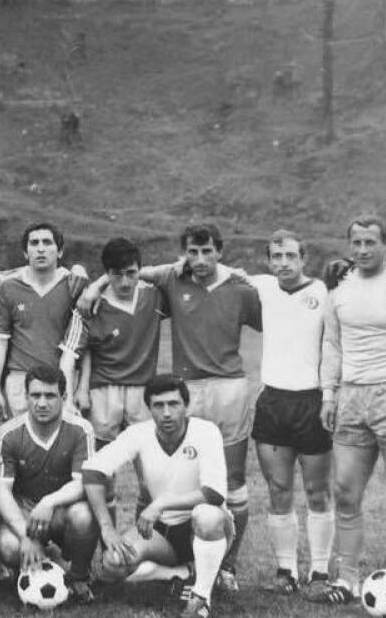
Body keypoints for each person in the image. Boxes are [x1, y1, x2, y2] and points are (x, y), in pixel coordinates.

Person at [84, 223, 260, 591]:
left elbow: (274, 321)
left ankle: (226, 568)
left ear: (220, 251)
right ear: (183, 254)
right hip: (187, 389)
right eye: (192, 252)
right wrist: (97, 285)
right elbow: (133, 272)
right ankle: (173, 557)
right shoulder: (171, 278)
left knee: (232, 481)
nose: (200, 259)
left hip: (229, 388)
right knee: (163, 470)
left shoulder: (241, 288)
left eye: (207, 251)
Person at [310, 216, 386, 605]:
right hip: (351, 398)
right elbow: (332, 345)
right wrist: (329, 395)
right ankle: (346, 580)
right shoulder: (338, 289)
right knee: (345, 491)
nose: (362, 250)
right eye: (356, 243)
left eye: (370, 242)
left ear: (385, 244)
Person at [81, 375, 233, 618]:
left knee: (206, 516)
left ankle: (201, 598)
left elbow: (215, 493)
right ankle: (183, 573)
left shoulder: (206, 432)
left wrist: (161, 504)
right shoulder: (138, 433)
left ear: (186, 406)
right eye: (158, 405)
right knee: (113, 564)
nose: (167, 413)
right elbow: (92, 471)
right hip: (163, 532)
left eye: (173, 404)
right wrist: (107, 529)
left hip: (206, 526)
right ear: (149, 408)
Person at [247, 230, 334, 594]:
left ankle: (320, 572)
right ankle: (286, 572)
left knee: (316, 490)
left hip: (312, 401)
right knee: (279, 489)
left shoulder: (323, 292)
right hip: (273, 401)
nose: (283, 263)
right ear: (269, 260)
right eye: (276, 256)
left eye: (290, 256)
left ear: (303, 259)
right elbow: (215, 271)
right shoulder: (262, 286)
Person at [0, 364, 98, 603]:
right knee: (10, 547)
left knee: (83, 515)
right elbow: (2, 491)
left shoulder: (81, 429)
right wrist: (25, 535)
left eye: (50, 396)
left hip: (60, 510)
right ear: (26, 396)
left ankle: (79, 576)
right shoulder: (8, 433)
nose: (41, 403)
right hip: (24, 510)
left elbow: (83, 483)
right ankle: (45, 560)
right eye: (35, 395)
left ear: (64, 397)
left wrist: (50, 502)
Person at [60, 237, 168, 444]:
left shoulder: (154, 296)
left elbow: (179, 270)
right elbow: (69, 356)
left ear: (140, 271)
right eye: (117, 274)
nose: (125, 282)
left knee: (146, 453)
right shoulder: (89, 305)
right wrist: (68, 399)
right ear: (107, 273)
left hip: (143, 390)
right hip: (103, 391)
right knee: (102, 454)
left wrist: (99, 282)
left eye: (131, 273)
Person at [0, 222, 86, 420]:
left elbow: (77, 345)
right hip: (20, 381)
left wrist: (70, 393)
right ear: (25, 253)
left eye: (47, 242)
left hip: (58, 380)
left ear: (60, 251)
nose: (40, 248)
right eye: (34, 243)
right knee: (19, 436)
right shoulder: (9, 286)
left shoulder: (74, 285)